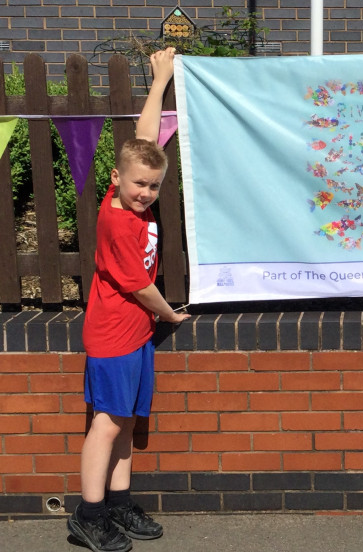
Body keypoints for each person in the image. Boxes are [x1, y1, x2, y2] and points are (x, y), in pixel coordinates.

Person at [67, 47, 190, 552]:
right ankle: (88, 515)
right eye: (139, 184)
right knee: (107, 424)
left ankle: (118, 505)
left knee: (126, 423)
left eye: (154, 186)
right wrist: (170, 316)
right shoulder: (118, 222)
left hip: (135, 335)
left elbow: (142, 141)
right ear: (116, 180)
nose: (146, 192)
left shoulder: (131, 197)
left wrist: (160, 79)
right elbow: (140, 287)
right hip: (115, 336)